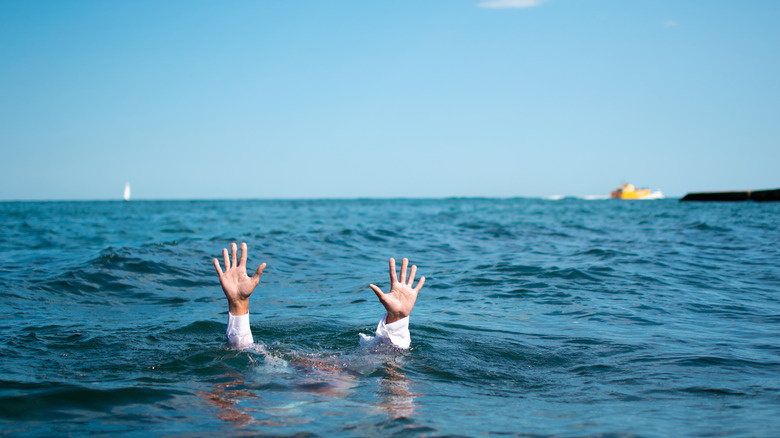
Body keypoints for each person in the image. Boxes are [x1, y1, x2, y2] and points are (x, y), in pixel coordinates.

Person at [212, 242, 425, 350]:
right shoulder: (278, 370)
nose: (319, 368)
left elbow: (388, 358)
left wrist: (398, 321)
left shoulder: (352, 372)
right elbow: (243, 353)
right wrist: (238, 303)